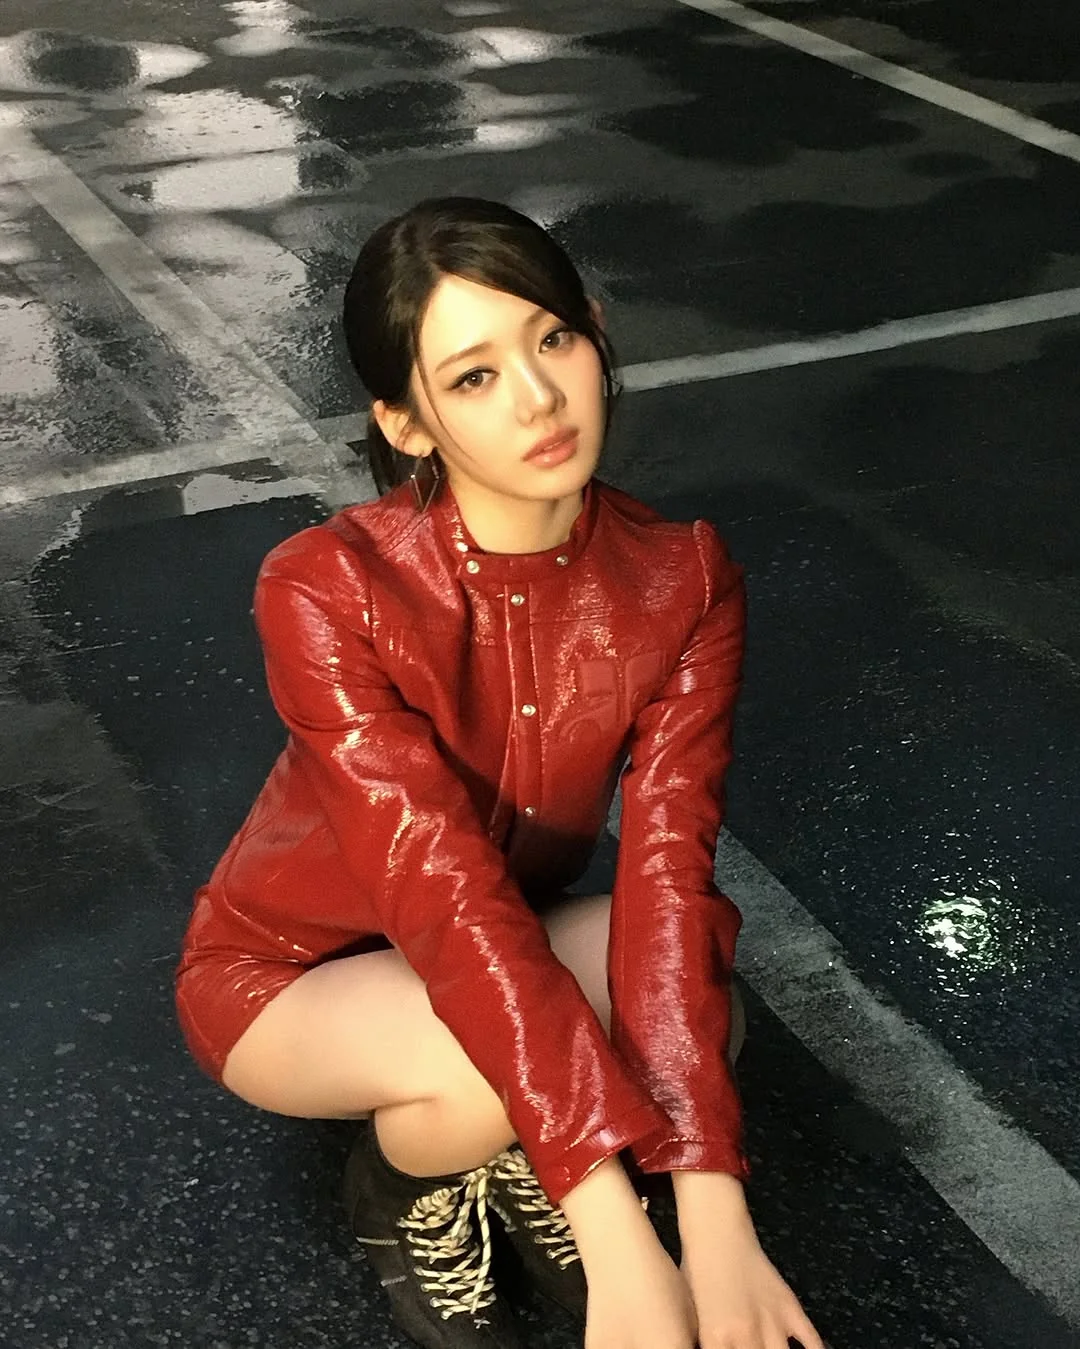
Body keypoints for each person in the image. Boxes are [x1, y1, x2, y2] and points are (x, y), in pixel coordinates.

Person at [175, 197, 824, 1349]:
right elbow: (442, 893)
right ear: (407, 422)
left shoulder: (682, 577)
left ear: (595, 331)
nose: (537, 397)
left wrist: (713, 1218)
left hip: (503, 928)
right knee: (484, 1079)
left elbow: (670, 876)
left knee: (702, 1011)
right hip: (284, 972)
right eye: (472, 376)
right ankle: (407, 1186)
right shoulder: (328, 585)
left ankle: (539, 1142)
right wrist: (621, 1234)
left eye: (552, 338)